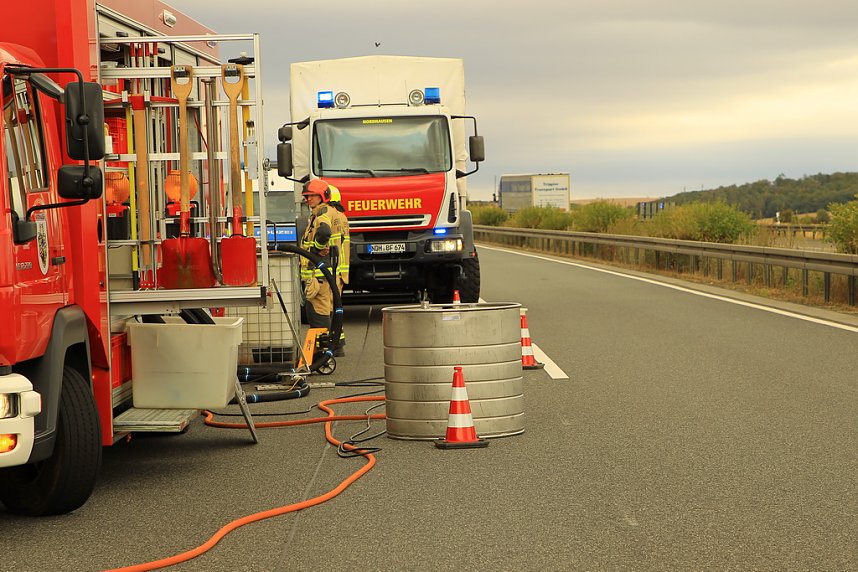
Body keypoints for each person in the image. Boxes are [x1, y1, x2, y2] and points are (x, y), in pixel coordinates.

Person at [299, 179, 334, 335]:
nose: (308, 199)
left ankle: (322, 351)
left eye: (312, 196)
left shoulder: (322, 214)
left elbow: (325, 232)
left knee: (318, 312)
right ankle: (323, 350)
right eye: (307, 197)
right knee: (318, 311)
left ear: (323, 196)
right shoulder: (316, 214)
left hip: (318, 275)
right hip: (317, 274)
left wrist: (314, 250)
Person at [326, 184, 350, 356]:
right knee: (336, 307)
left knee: (329, 309)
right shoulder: (342, 216)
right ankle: (338, 343)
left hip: (332, 269)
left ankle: (333, 345)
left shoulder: (331, 217)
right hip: (340, 270)